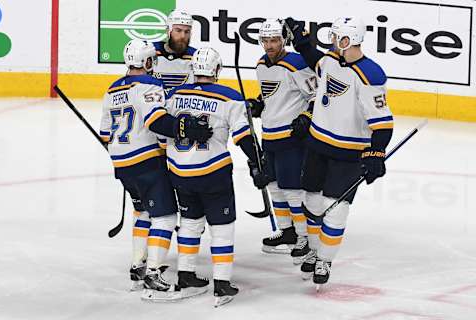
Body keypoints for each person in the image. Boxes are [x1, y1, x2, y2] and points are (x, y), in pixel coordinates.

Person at [284, 16, 394, 288]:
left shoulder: (371, 74)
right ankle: (313, 248)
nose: (331, 42)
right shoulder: (330, 61)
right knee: (310, 202)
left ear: (346, 40)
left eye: (335, 38)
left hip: (348, 154)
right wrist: (301, 40)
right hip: (317, 146)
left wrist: (376, 152)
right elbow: (313, 58)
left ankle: (324, 259)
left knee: (335, 210)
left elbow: (382, 122)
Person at [99, 40, 212, 293]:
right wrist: (184, 128)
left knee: (143, 213)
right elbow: (157, 122)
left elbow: (105, 134)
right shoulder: (150, 84)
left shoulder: (111, 89)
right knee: (166, 216)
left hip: (122, 164)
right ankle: (152, 273)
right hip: (146, 161)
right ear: (148, 62)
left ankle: (136, 265)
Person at [162, 47, 268, 306]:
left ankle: (185, 274)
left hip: (179, 172)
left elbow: (163, 133)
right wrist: (258, 163)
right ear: (218, 70)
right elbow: (244, 137)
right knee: (221, 228)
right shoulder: (230, 98)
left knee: (189, 222)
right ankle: (222, 283)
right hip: (213, 173)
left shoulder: (174, 96)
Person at [247, 19, 317, 264]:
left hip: (291, 137)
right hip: (270, 135)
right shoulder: (260, 65)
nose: (269, 45)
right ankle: (287, 232)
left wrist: (307, 116)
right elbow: (270, 96)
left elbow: (316, 95)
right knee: (274, 186)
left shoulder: (297, 64)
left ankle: (303, 237)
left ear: (284, 40)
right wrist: (258, 104)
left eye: (274, 40)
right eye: (265, 40)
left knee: (292, 190)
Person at [152, 9, 196, 95]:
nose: (183, 36)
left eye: (187, 32)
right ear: (168, 31)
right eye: (178, 30)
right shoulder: (150, 52)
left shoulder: (195, 57)